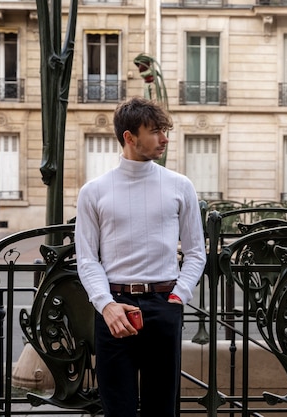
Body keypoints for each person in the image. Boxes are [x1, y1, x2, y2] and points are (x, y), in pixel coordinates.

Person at [75, 97, 207, 417]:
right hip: (114, 308)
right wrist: (105, 305)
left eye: (165, 131)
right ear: (129, 137)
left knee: (161, 410)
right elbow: (87, 258)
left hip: (164, 305)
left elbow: (195, 252)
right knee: (117, 409)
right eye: (155, 131)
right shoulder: (94, 191)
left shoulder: (180, 186)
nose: (164, 139)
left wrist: (179, 295)